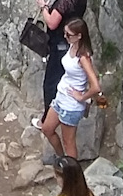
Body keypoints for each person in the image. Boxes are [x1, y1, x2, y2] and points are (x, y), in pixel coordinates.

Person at [37, 18, 100, 159]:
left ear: (79, 36)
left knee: (68, 142)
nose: (65, 37)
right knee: (47, 129)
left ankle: (72, 173)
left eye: (69, 35)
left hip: (71, 105)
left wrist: (82, 97)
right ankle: (62, 160)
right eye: (65, 33)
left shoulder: (83, 57)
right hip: (61, 97)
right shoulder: (72, 46)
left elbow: (96, 86)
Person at [37, 0, 89, 117]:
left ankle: (48, 118)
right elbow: (69, 0)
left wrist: (43, 7)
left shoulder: (64, 2)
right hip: (72, 43)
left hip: (59, 43)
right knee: (65, 78)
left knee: (51, 82)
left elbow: (52, 23)